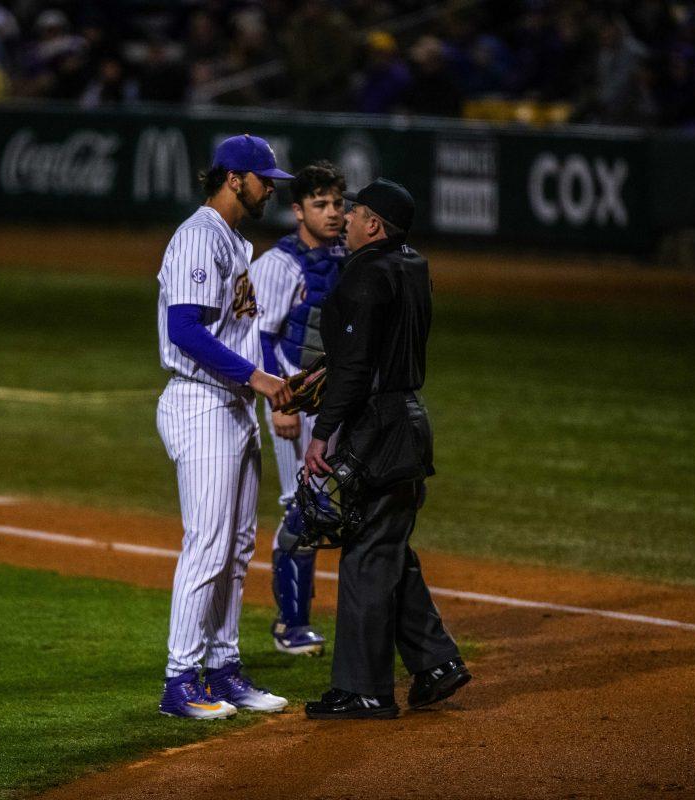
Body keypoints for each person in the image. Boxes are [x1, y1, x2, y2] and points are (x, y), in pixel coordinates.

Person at [300, 178, 470, 720]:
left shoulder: (365, 274)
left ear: (373, 225)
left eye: (353, 213)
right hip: (408, 421)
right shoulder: (412, 267)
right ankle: (435, 661)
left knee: (368, 557)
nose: (344, 220)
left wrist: (322, 432)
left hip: (376, 427)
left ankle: (366, 690)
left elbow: (353, 368)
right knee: (388, 542)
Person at [155, 135, 295, 719]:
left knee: (237, 547)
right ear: (234, 178)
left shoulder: (236, 241)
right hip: (203, 403)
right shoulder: (198, 237)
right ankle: (180, 679)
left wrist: (267, 378)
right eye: (265, 179)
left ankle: (223, 666)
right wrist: (260, 380)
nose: (271, 188)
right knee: (208, 545)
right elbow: (185, 329)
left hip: (233, 406)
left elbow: (237, 330)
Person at [248, 161, 347, 656]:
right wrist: (279, 402)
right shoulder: (278, 264)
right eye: (320, 204)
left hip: (342, 401)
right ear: (297, 209)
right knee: (304, 507)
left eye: (337, 203)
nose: (331, 213)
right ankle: (291, 623)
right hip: (297, 401)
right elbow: (259, 336)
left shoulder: (350, 255)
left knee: (343, 506)